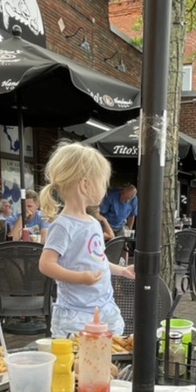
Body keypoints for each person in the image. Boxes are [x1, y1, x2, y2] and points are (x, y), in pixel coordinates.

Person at [38, 142, 134, 337]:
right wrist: (80, 278)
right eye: (103, 183)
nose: (105, 190)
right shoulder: (63, 225)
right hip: (77, 315)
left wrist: (122, 270)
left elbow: (96, 261)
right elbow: (46, 265)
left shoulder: (91, 221)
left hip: (104, 308)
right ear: (85, 184)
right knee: (79, 364)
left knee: (110, 359)